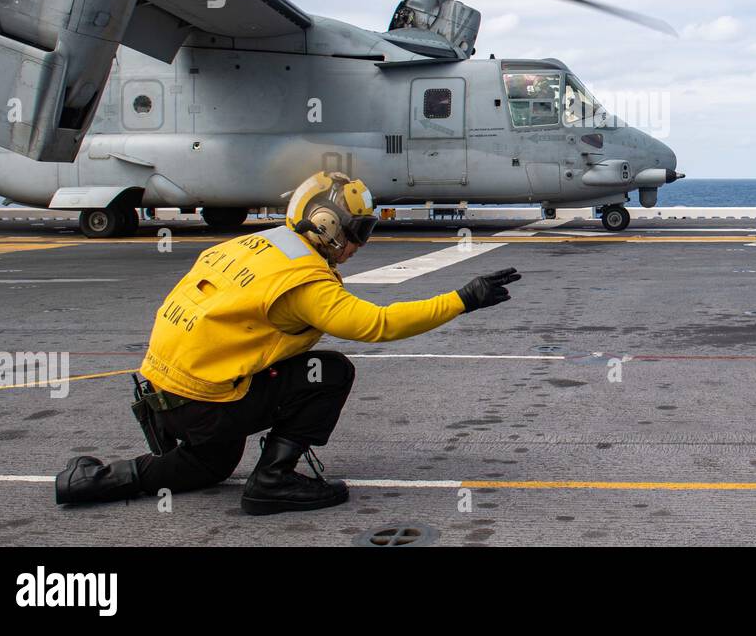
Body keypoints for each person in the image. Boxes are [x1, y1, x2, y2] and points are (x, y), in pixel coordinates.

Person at [54, 170, 520, 515]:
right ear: (328, 223)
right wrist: (463, 298)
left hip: (168, 396)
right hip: (207, 400)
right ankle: (273, 480)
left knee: (211, 467)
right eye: (360, 230)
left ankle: (89, 481)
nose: (362, 243)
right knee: (331, 372)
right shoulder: (304, 283)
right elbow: (377, 324)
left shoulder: (248, 246)